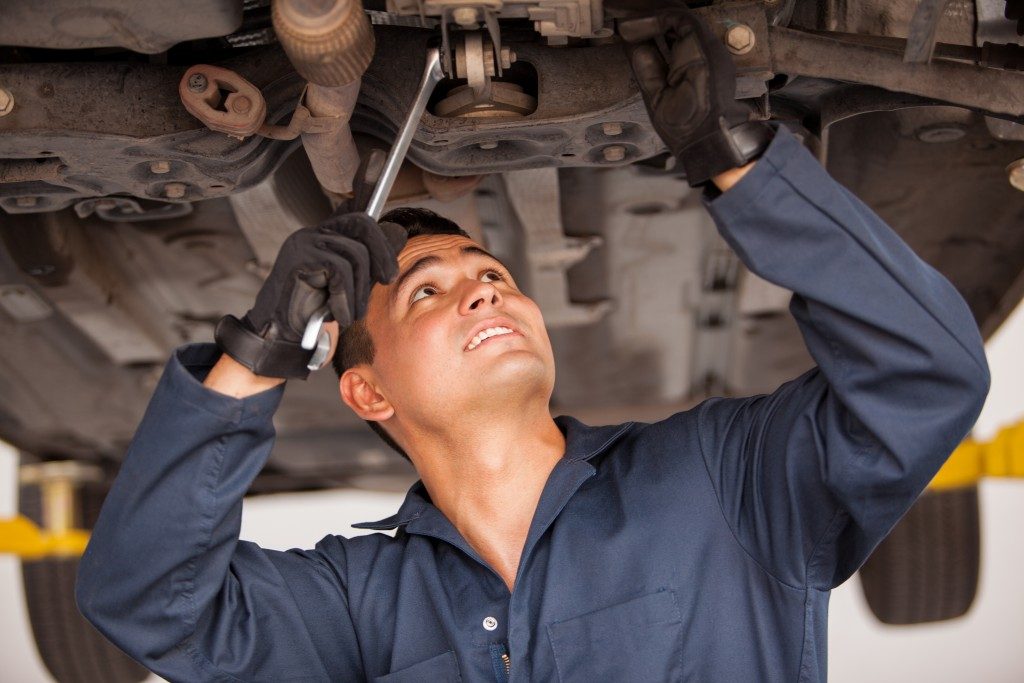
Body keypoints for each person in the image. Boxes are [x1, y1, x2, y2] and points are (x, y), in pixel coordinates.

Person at [76, 6, 989, 682]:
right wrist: (261, 347)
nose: (481, 285)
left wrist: (736, 157)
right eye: (428, 289)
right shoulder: (360, 607)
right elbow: (145, 601)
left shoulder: (724, 480)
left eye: (493, 275)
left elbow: (925, 372)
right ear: (367, 391)